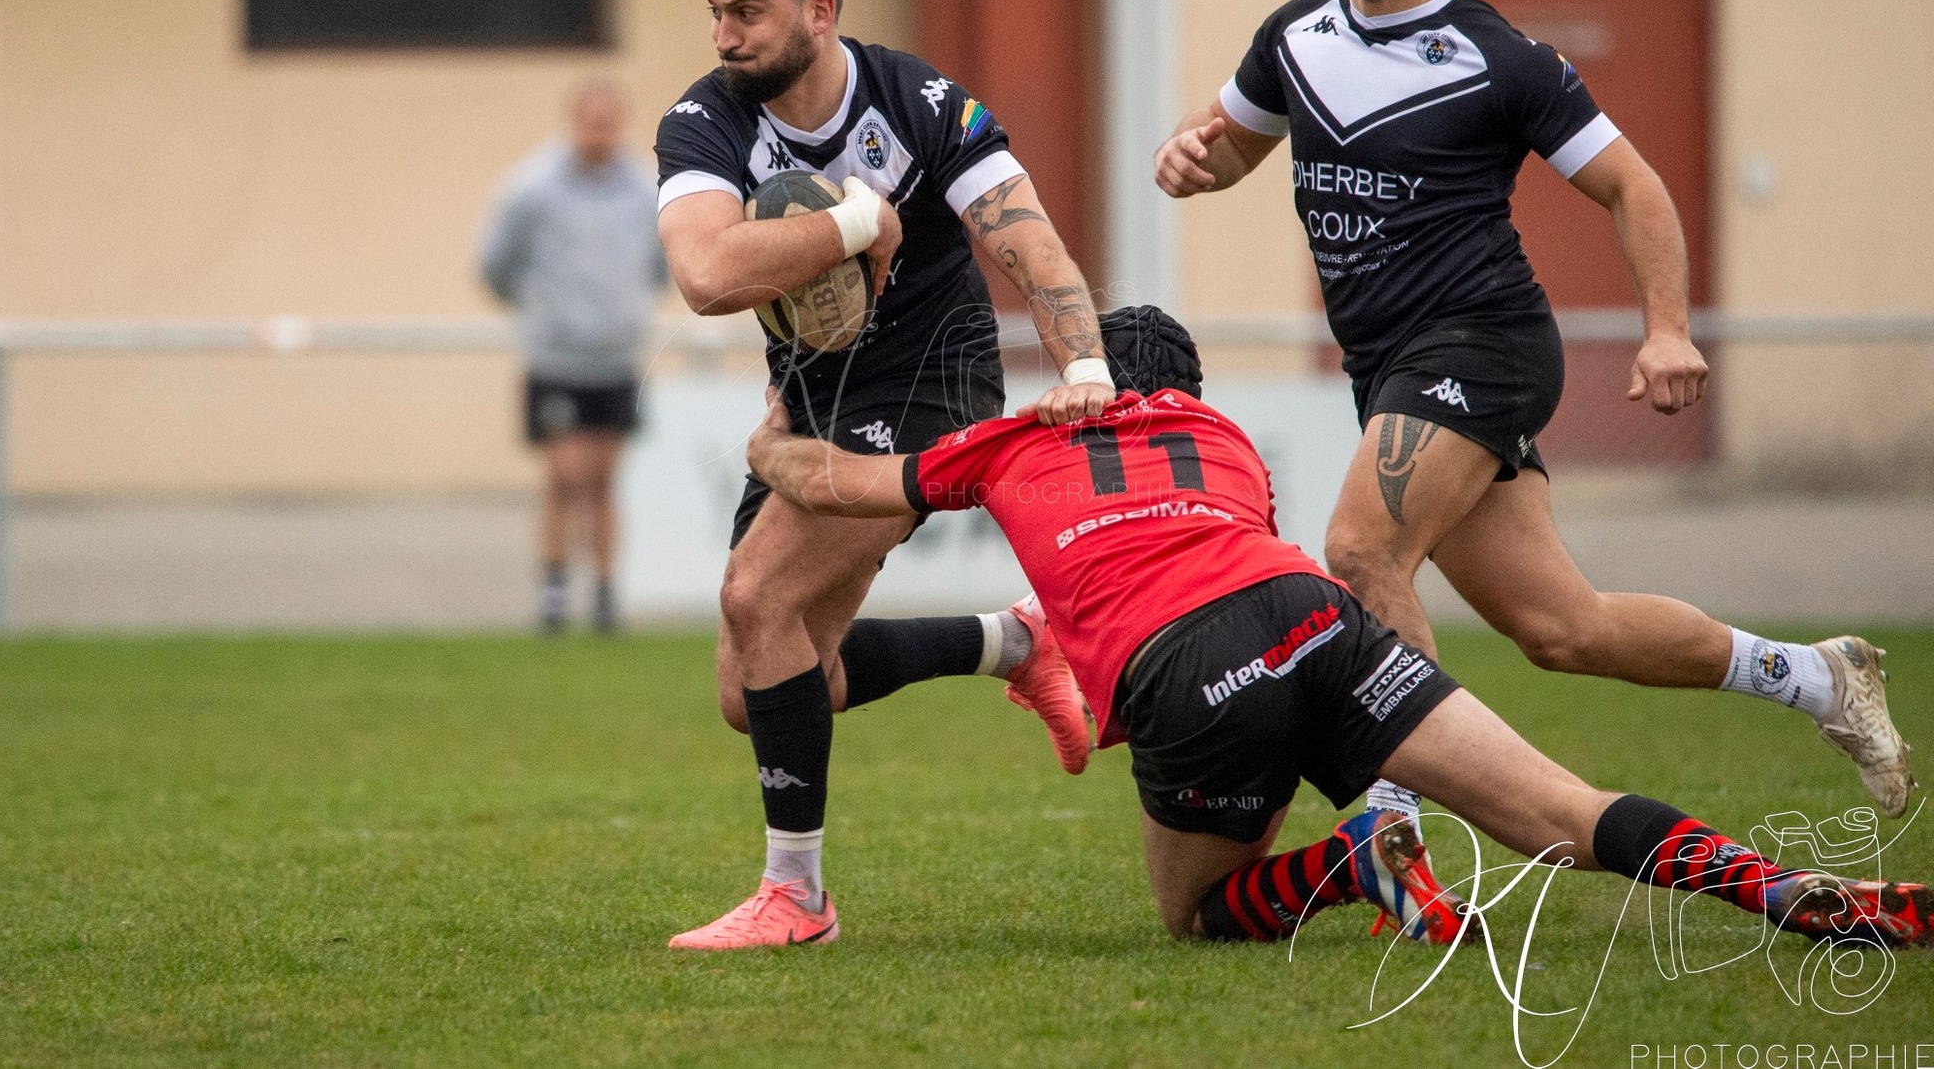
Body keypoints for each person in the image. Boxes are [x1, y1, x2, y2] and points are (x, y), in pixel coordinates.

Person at [1150, 0, 1914, 824]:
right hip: (1388, 365)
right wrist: (1187, 159)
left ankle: (1398, 815)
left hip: (1484, 340)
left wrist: (1666, 329)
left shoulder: (1501, 58)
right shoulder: (1293, 35)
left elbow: (1633, 187)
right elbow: (1225, 148)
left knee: (1361, 550)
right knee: (1562, 628)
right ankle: (1817, 676)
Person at [744, 306, 1934, 950]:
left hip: (1189, 662)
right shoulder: (1224, 442)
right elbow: (1237, 585)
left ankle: (1353, 859)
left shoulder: (1015, 437)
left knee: (1195, 912)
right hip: (1310, 611)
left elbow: (843, 485)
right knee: (1559, 813)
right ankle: (1785, 890)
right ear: (1189, 389)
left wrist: (771, 443)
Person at [655, 0, 1112, 950]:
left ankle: (797, 898)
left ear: (819, 11)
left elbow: (1031, 246)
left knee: (756, 594)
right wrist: (855, 222)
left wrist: (1084, 367)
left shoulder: (918, 101)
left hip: (934, 383)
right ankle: (1014, 641)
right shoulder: (704, 119)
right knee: (759, 684)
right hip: (814, 396)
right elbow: (704, 275)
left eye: (747, 13)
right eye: (715, 12)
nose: (724, 36)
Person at [479, 78, 664, 634]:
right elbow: (494, 265)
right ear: (574, 122)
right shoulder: (531, 189)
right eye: (590, 121)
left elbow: (662, 265)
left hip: (617, 358)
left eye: (608, 122)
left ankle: (605, 593)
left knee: (604, 479)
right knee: (565, 474)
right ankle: (555, 591)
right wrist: (544, 314)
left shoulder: (645, 191)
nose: (599, 132)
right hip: (557, 359)